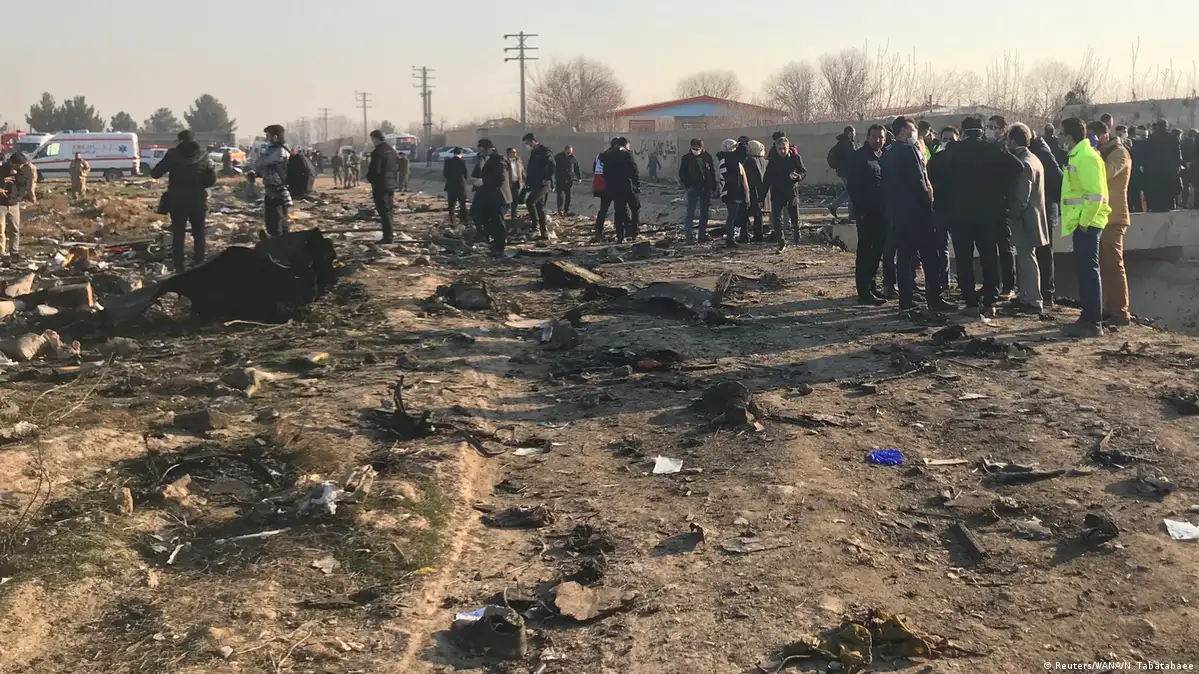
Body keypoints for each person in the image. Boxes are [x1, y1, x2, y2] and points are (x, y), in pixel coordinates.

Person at [931, 116, 1022, 314]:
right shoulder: (994, 149)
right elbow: (1017, 167)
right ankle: (990, 298)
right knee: (989, 255)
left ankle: (970, 300)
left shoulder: (952, 151)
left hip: (959, 213)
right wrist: (1001, 191)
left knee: (964, 257)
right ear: (982, 131)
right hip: (988, 212)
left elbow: (933, 171)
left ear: (963, 132)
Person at [882, 118, 951, 311]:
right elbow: (919, 182)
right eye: (912, 129)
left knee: (904, 258)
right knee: (930, 257)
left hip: (898, 213)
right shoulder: (909, 151)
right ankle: (934, 298)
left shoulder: (888, 153)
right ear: (904, 131)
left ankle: (905, 299)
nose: (915, 133)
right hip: (918, 214)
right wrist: (929, 204)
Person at [1057, 117, 1110, 337]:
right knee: (1084, 270)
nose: (1059, 137)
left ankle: (1093, 322)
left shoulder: (1086, 157)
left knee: (1088, 271)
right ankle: (1087, 317)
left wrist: (1085, 222)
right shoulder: (1079, 155)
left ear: (1070, 136)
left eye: (1062, 133)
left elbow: (1095, 194)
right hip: (1081, 221)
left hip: (1087, 222)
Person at [151, 135, 216, 272]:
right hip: (198, 199)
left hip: (177, 200)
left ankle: (179, 267)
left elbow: (155, 174)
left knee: (178, 233)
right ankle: (199, 263)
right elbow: (210, 181)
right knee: (199, 233)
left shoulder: (172, 155)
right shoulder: (204, 156)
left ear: (180, 141)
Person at [1004, 123, 1049, 315]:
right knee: (1025, 258)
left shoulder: (1024, 163)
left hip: (1026, 219)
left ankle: (1032, 300)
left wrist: (1012, 213)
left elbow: (1022, 195)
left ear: (1013, 141)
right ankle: (1026, 296)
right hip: (1034, 216)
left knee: (1026, 259)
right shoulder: (1034, 159)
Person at [1093, 120, 1132, 326]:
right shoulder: (1106, 152)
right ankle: (1110, 307)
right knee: (1105, 265)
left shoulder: (1119, 153)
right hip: (1103, 216)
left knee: (1115, 265)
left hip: (1115, 217)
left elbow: (1105, 174)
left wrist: (1094, 155)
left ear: (1104, 135)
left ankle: (1121, 311)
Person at [847, 124, 888, 304]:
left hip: (882, 212)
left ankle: (872, 286)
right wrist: (861, 210)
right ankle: (864, 292)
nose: (877, 140)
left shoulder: (883, 156)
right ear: (868, 137)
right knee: (866, 252)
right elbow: (853, 187)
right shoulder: (859, 157)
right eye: (874, 136)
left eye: (881, 137)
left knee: (877, 251)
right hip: (867, 213)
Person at [1028, 128, 1063, 306]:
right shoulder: (1037, 151)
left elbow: (1058, 179)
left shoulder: (1042, 153)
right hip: (1040, 205)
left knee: (1044, 250)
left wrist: (1048, 197)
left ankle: (1047, 292)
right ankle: (1041, 291)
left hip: (1046, 206)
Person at [763, 136, 807, 250]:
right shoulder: (773, 161)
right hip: (777, 192)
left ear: (788, 147)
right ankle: (781, 241)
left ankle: (796, 234)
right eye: (780, 149)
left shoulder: (795, 158)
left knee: (794, 216)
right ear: (776, 149)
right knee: (776, 218)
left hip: (791, 191)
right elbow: (767, 179)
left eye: (784, 148)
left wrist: (798, 177)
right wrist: (761, 198)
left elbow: (803, 171)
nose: (782, 151)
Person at [472, 138, 512, 254]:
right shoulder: (485, 160)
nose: (481, 154)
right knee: (482, 217)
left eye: (483, 151)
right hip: (489, 197)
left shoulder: (499, 160)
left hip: (499, 197)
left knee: (498, 222)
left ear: (489, 149)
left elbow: (500, 179)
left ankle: (500, 246)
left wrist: (483, 181)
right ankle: (493, 241)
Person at [254, 124, 292, 237]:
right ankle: (282, 241)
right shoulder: (275, 149)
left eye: (268, 135)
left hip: (276, 188)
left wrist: (259, 156)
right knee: (279, 218)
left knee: (275, 220)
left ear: (275, 137)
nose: (266, 138)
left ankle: (278, 242)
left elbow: (261, 163)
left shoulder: (280, 151)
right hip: (275, 188)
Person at [601, 137, 640, 243]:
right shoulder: (628, 154)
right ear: (626, 144)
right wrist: (637, 185)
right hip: (628, 187)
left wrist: (610, 185)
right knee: (635, 208)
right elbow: (634, 170)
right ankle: (634, 232)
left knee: (619, 211)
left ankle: (620, 235)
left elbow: (605, 172)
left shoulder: (609, 155)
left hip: (615, 188)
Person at [679, 138, 716, 243]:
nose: (696, 150)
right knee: (690, 212)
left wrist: (713, 186)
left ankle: (702, 234)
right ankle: (689, 234)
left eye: (697, 148)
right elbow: (682, 173)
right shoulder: (686, 158)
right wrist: (688, 185)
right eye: (694, 148)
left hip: (706, 188)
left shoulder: (707, 157)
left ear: (701, 147)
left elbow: (711, 172)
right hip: (693, 188)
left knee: (704, 212)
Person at [366, 130, 400, 244]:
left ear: (376, 138)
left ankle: (388, 237)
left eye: (372, 139)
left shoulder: (378, 152)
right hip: (392, 184)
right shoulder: (392, 151)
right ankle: (389, 234)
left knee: (383, 211)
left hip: (381, 185)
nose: (372, 142)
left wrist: (370, 179)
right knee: (388, 210)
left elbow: (375, 170)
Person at [1142, 119, 1183, 212]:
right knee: (1168, 187)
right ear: (1166, 126)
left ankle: (1156, 205)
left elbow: (1146, 153)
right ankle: (1168, 205)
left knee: (1157, 187)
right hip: (1169, 168)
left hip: (1154, 168)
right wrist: (1177, 165)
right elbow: (1177, 152)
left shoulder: (1151, 137)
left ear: (1157, 126)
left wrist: (1145, 166)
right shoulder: (1172, 138)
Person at [716, 139, 749, 248]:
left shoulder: (724, 158)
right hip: (732, 192)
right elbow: (743, 153)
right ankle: (730, 239)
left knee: (733, 216)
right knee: (732, 216)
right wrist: (742, 143)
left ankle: (731, 238)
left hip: (728, 192)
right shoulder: (729, 159)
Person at [522, 133, 555, 240]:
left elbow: (552, 165)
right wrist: (527, 183)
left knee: (530, 202)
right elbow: (531, 169)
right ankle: (543, 232)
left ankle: (535, 228)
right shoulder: (534, 152)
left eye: (528, 143)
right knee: (540, 207)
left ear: (533, 141)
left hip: (543, 183)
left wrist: (546, 178)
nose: (527, 145)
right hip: (534, 183)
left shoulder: (545, 151)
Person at [0, 153, 31, 257]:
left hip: (14, 204)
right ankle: (1, 252)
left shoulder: (21, 171)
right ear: (12, 162)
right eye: (19, 165)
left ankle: (14, 252)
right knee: (0, 230)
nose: (20, 166)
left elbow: (24, 183)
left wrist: (16, 175)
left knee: (15, 229)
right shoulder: (2, 170)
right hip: (1, 204)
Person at [827, 126, 856, 221]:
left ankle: (834, 206)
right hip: (848, 172)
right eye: (853, 133)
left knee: (849, 191)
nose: (854, 135)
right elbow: (854, 156)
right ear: (850, 133)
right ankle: (851, 214)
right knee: (852, 192)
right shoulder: (848, 144)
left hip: (842, 171)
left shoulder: (840, 143)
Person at [592, 139, 618, 241]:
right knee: (619, 208)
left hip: (601, 185)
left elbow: (594, 168)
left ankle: (598, 231)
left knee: (603, 209)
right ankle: (621, 231)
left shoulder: (600, 155)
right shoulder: (615, 156)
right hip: (611, 185)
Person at [743, 140, 768, 243]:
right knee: (759, 215)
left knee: (746, 213)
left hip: (753, 191)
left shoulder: (750, 161)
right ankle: (758, 235)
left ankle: (746, 236)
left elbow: (749, 178)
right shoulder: (763, 160)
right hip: (762, 191)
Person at [443, 147, 469, 225]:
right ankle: (464, 221)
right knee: (462, 205)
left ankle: (452, 222)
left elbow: (445, 174)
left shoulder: (448, 162)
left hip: (451, 186)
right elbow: (466, 175)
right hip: (460, 186)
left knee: (451, 206)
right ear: (461, 153)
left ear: (453, 153)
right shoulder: (463, 162)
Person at [554, 145, 582, 216]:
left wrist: (579, 177)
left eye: (570, 152)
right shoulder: (558, 157)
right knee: (560, 195)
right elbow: (553, 166)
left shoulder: (573, 158)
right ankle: (560, 210)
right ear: (565, 150)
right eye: (568, 152)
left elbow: (576, 167)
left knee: (568, 196)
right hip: (560, 179)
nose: (569, 154)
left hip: (569, 179)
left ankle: (566, 210)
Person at [505, 147, 525, 221]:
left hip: (517, 182)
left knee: (515, 199)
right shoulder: (505, 161)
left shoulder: (518, 161)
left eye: (515, 152)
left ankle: (514, 214)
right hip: (508, 183)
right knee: (507, 199)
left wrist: (525, 180)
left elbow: (522, 171)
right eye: (513, 152)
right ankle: (503, 213)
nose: (515, 154)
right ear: (509, 153)